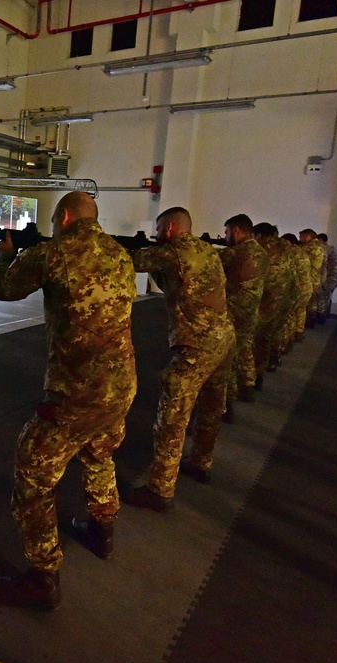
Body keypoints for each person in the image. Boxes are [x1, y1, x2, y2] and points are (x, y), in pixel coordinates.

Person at [0, 191, 137, 610]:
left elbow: (5, 289)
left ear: (65, 216)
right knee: (100, 454)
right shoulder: (121, 255)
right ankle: (102, 533)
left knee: (32, 478)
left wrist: (4, 254)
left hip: (75, 395)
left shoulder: (55, 253)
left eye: (55, 221)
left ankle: (42, 578)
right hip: (120, 387)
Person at [122, 207, 234, 510]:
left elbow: (130, 261)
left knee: (173, 417)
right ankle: (200, 461)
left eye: (159, 229)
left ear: (170, 228)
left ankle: (160, 490)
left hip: (197, 347)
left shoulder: (173, 252)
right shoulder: (205, 250)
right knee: (210, 408)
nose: (157, 234)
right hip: (223, 339)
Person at [219, 214, 269, 420]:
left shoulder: (236, 253)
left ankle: (226, 404)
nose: (225, 236)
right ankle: (247, 387)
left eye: (227, 232)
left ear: (237, 230)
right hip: (251, 312)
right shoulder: (262, 253)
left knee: (225, 361)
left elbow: (211, 263)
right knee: (243, 350)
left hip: (233, 312)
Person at [252, 223, 297, 388]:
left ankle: (253, 377)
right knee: (272, 334)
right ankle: (271, 361)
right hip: (285, 298)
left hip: (268, 300)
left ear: (259, 236)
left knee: (257, 339)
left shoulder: (261, 249)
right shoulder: (286, 248)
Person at [281, 233, 314, 349]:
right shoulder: (301, 251)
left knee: (289, 315)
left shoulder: (290, 252)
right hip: (307, 286)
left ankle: (286, 343)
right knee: (300, 311)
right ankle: (298, 333)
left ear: (288, 241)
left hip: (298, 288)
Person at [299, 228, 327, 329]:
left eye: (301, 237)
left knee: (307, 303)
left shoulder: (309, 247)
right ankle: (314, 319)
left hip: (309, 277)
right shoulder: (320, 246)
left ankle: (308, 322)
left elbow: (299, 258)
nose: (300, 239)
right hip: (316, 277)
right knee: (314, 301)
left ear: (307, 237)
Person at [316, 233, 337, 322]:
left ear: (320, 239)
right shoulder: (329, 247)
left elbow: (322, 264)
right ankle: (323, 314)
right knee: (326, 294)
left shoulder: (325, 248)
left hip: (334, 275)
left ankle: (321, 316)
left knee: (322, 292)